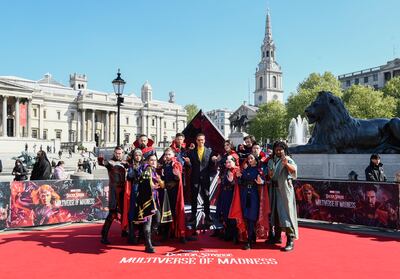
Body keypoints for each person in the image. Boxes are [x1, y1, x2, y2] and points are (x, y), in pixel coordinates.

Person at [267, 141, 298, 252]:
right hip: (273, 189)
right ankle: (277, 237)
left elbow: (294, 171)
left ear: (284, 150)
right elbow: (270, 175)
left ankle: (290, 241)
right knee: (274, 213)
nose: (278, 151)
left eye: (281, 149)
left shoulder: (288, 159)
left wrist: (286, 164)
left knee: (285, 214)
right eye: (277, 149)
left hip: (284, 190)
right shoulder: (271, 160)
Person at [183, 133, 217, 228]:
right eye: (198, 140)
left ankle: (207, 216)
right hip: (195, 177)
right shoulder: (191, 152)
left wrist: (214, 160)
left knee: (206, 197)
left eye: (202, 140)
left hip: (205, 178)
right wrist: (188, 162)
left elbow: (211, 165)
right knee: (193, 198)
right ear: (196, 141)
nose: (200, 141)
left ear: (204, 140)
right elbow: (189, 166)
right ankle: (193, 216)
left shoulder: (209, 152)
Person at [98, 146, 129, 244]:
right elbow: (102, 163)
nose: (118, 155)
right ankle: (104, 235)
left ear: (123, 153)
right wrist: (101, 160)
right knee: (112, 213)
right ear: (114, 153)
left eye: (120, 153)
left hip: (123, 190)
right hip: (114, 191)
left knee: (124, 211)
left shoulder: (125, 163)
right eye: (117, 153)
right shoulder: (111, 163)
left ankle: (124, 231)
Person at [134, 154, 165, 253]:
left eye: (155, 160)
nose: (153, 162)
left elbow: (162, 185)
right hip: (147, 200)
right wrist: (154, 186)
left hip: (154, 200)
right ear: (147, 161)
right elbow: (146, 184)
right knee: (148, 222)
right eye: (151, 160)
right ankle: (148, 245)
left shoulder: (154, 172)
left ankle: (149, 240)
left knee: (157, 220)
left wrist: (159, 181)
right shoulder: (147, 171)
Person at [159, 147, 186, 243]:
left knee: (175, 211)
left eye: (169, 154)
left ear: (173, 155)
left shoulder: (176, 164)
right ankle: (166, 233)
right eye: (166, 154)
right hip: (166, 191)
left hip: (174, 192)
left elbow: (178, 178)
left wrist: (177, 176)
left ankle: (179, 234)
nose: (167, 156)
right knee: (165, 212)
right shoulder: (163, 165)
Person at [215, 155, 239, 243]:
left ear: (234, 162)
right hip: (225, 194)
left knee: (233, 215)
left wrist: (232, 181)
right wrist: (220, 183)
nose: (228, 164)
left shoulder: (237, 170)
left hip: (233, 196)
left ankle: (235, 235)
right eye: (227, 162)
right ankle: (228, 234)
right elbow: (223, 183)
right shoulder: (225, 171)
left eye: (229, 162)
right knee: (225, 215)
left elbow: (239, 184)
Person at [123, 148, 144, 244]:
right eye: (136, 155)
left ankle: (142, 234)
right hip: (135, 190)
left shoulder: (145, 165)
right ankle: (131, 234)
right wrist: (134, 171)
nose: (138, 157)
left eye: (139, 155)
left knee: (143, 211)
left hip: (143, 190)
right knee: (132, 211)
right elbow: (129, 177)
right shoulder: (131, 166)